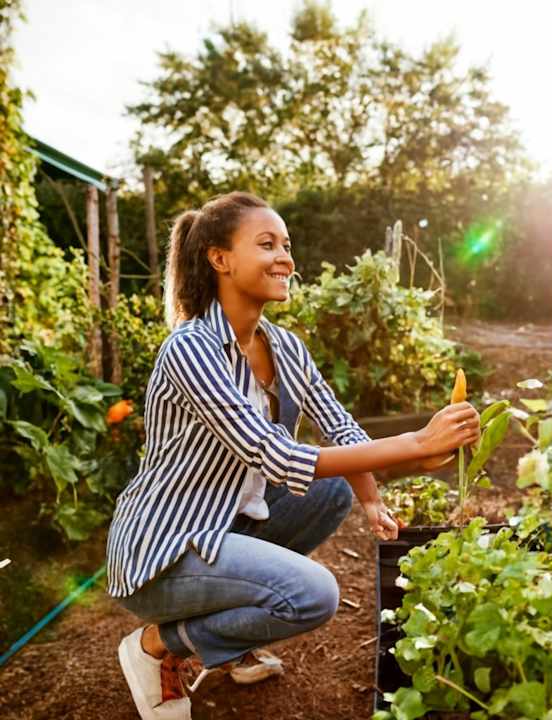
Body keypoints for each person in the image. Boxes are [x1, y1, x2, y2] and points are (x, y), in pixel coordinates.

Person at [106, 191, 481, 720]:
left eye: (286, 244)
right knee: (313, 595)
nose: (286, 257)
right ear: (220, 258)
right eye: (267, 244)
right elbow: (277, 457)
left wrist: (372, 499)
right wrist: (416, 444)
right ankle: (157, 646)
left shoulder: (284, 346)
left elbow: (340, 427)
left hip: (224, 526)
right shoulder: (189, 349)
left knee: (332, 490)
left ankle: (231, 642)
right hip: (163, 551)